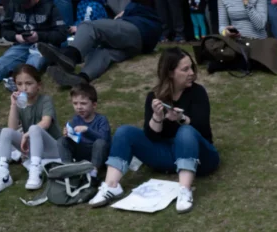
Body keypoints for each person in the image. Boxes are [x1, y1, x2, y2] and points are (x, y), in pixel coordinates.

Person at [88, 47, 217, 213]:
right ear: (170, 73)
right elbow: (151, 137)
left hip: (202, 157)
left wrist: (181, 119)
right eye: (185, 69)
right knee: (124, 132)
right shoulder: (155, 96)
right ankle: (111, 186)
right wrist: (157, 117)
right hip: (168, 155)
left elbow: (203, 128)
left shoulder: (198, 92)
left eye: (191, 67)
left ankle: (184, 190)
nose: (191, 72)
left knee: (185, 132)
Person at [36, 0, 163, 85]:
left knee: (89, 26)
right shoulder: (142, 9)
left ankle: (70, 56)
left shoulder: (140, 8)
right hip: (141, 46)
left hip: (137, 29)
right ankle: (82, 78)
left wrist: (121, 16)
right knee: (104, 53)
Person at [0, 64, 61, 193]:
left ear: (39, 85)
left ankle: (36, 170)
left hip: (53, 148)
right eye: (19, 84)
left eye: (28, 83)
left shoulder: (45, 100)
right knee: (5, 131)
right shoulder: (20, 103)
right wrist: (13, 105)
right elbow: (12, 128)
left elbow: (46, 122)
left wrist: (27, 134)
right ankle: (2, 172)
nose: (24, 88)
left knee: (35, 128)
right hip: (33, 148)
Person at [0, 0, 67, 89]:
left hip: (45, 46)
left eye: (26, 3)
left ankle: (19, 83)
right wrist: (16, 36)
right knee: (2, 65)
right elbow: (5, 30)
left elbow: (62, 34)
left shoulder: (49, 6)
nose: (23, 5)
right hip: (22, 44)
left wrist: (39, 36)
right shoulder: (14, 4)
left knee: (34, 61)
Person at [58, 80, 110, 175]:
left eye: (83, 103)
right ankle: (68, 169)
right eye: (75, 103)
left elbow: (105, 139)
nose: (79, 107)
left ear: (94, 105)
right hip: (82, 154)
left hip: (98, 156)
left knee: (100, 143)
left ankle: (93, 173)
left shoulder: (101, 120)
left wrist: (87, 130)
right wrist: (68, 134)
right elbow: (74, 139)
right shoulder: (75, 119)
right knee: (61, 141)